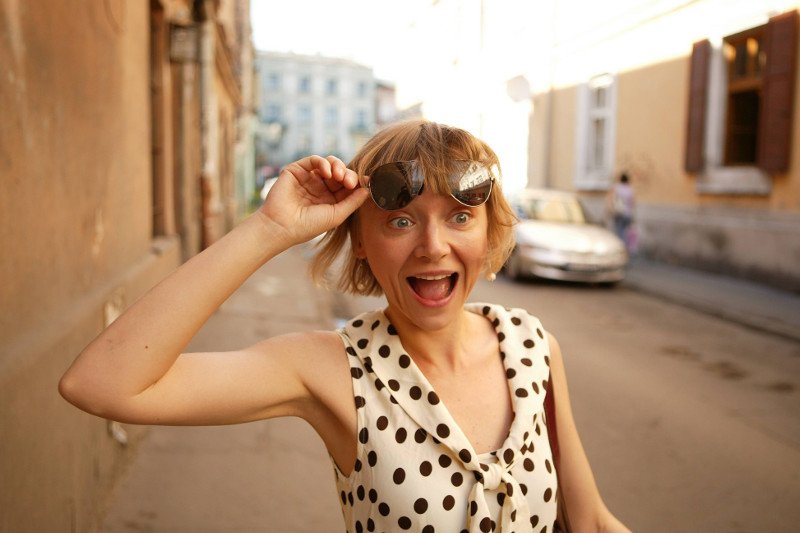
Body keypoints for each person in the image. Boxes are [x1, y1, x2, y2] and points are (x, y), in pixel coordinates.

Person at [59, 120, 630, 533]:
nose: (433, 246)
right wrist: (270, 229)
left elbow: (590, 522)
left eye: (460, 217)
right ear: (360, 240)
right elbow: (102, 384)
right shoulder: (333, 369)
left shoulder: (532, 348)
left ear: (488, 229)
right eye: (400, 221)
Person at [609, 173, 635, 250]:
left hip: (619, 212)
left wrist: (611, 210)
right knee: (625, 232)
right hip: (628, 214)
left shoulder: (617, 188)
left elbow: (613, 200)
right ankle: (625, 247)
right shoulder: (630, 189)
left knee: (619, 231)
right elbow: (632, 203)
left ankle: (620, 247)